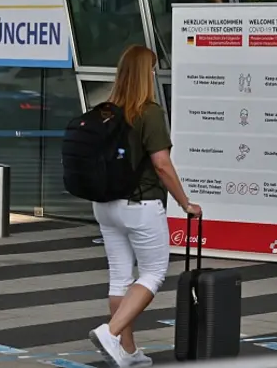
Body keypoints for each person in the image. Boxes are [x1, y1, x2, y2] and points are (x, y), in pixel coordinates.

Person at [88, 45, 203, 368]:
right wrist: (186, 203)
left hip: (105, 205)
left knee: (120, 277)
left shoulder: (104, 111)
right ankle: (110, 333)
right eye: (152, 70)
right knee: (153, 273)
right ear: (145, 74)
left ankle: (127, 352)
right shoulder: (148, 112)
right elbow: (162, 164)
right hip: (140, 205)